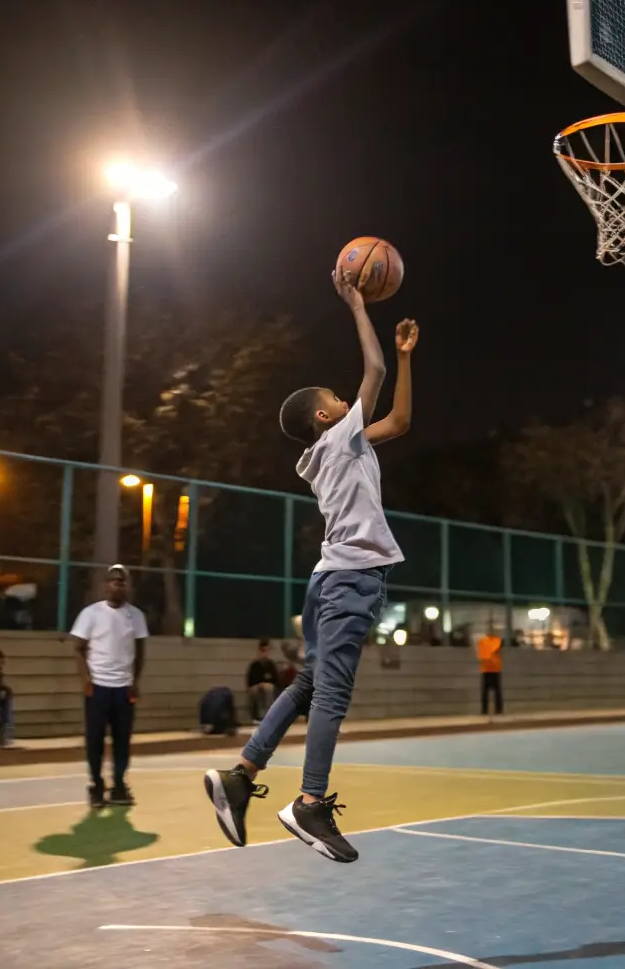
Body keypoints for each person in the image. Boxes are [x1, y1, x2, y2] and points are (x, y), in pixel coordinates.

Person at [204, 269, 419, 864]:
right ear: (326, 418)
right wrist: (356, 305)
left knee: (306, 683)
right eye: (336, 400)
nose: (345, 401)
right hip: (350, 579)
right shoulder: (339, 440)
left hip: (327, 577)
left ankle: (241, 776)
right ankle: (310, 802)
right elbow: (370, 374)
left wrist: (405, 358)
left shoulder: (337, 446)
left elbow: (398, 422)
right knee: (331, 694)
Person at [71, 564, 148, 809]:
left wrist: (135, 682)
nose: (118, 585)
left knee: (122, 739)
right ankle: (95, 784)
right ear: (106, 585)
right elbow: (79, 649)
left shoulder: (136, 616)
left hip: (123, 687)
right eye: (114, 581)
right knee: (94, 738)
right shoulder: (90, 614)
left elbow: (140, 652)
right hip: (99, 687)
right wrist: (86, 680)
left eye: (122, 581)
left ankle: (119, 784)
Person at [246, 639, 280, 721]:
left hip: (269, 687)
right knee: (260, 690)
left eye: (266, 651)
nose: (265, 653)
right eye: (263, 651)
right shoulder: (254, 665)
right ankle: (258, 716)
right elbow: (250, 682)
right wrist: (259, 685)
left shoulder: (271, 665)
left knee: (267, 688)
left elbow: (276, 680)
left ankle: (269, 714)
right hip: (256, 687)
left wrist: (267, 684)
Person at [477, 625, 504, 717]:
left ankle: (499, 710)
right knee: (485, 691)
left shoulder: (497, 640)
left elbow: (492, 651)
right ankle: (484, 710)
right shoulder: (482, 641)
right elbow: (483, 654)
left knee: (497, 691)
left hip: (495, 669)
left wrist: (489, 656)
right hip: (486, 669)